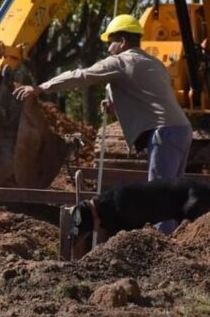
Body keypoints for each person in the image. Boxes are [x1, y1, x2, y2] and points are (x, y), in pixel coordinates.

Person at [13, 14, 192, 234]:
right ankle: (175, 241)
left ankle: (163, 250)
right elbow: (148, 98)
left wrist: (41, 88)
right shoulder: (154, 63)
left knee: (159, 196)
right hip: (181, 130)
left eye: (111, 43)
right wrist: (115, 105)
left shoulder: (122, 61)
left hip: (163, 134)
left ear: (123, 42)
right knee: (173, 193)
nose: (108, 49)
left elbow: (82, 75)